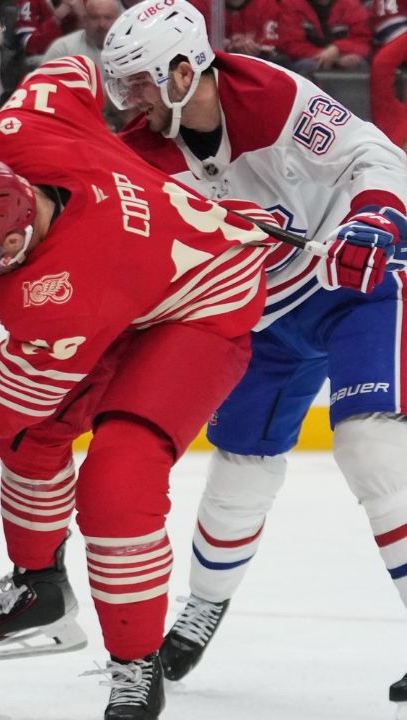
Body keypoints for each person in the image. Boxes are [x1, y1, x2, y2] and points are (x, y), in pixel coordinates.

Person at [0, 55, 278, 718]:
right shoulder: (18, 134)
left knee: (118, 481)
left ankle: (136, 665)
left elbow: (8, 399)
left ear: (15, 240)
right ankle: (41, 589)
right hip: (139, 284)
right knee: (33, 439)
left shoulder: (58, 296)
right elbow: (71, 68)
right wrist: (63, 127)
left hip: (204, 304)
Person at [99, 0, 407, 701]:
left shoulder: (269, 94)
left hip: (351, 282)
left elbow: (372, 155)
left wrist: (371, 220)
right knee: (240, 465)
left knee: (372, 447)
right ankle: (205, 606)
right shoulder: (140, 153)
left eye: (140, 82)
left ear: (184, 72)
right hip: (260, 314)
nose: (131, 100)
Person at [275, 0, 371, 72]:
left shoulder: (351, 5)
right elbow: (290, 44)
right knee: (305, 66)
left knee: (360, 64)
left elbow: (362, 39)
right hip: (308, 59)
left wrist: (338, 49)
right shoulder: (291, 4)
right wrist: (329, 56)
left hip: (345, 56)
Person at [42, 0, 122, 66]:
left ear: (119, 20)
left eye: (108, 17)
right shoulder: (64, 49)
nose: (102, 24)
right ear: (85, 20)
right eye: (94, 17)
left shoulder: (129, 48)